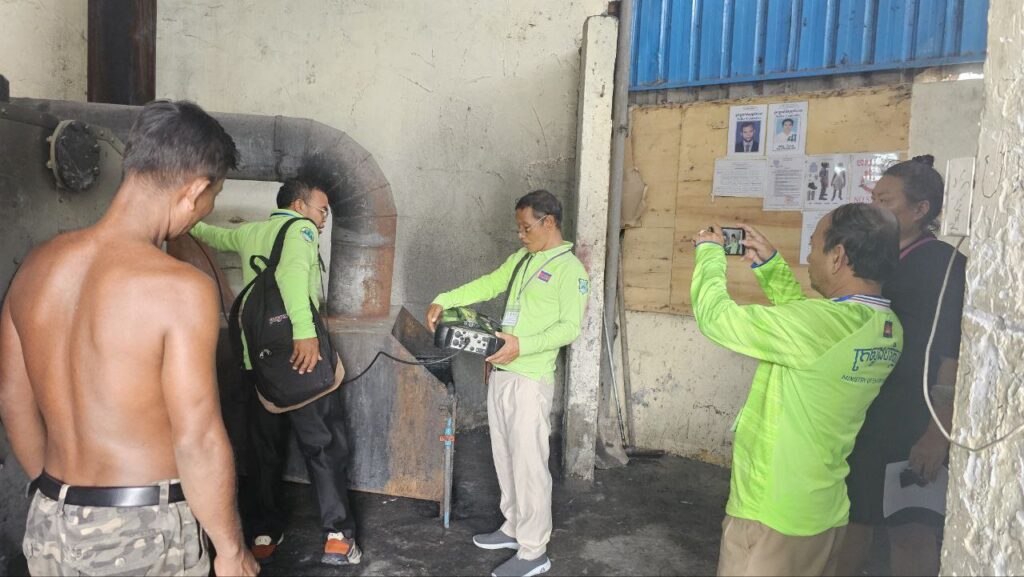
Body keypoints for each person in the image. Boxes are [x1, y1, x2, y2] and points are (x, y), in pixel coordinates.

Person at [0, 100, 258, 576]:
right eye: (213, 197)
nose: (205, 212)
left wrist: (57, 493)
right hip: (141, 534)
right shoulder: (180, 288)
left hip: (49, 522)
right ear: (195, 190)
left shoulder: (36, 265)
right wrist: (231, 549)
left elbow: (13, 399)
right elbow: (197, 439)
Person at [690, 203, 903, 577]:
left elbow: (717, 319)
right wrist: (771, 267)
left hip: (772, 517)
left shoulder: (822, 326)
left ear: (838, 257)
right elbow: (810, 334)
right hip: (825, 513)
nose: (808, 256)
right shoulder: (886, 328)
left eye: (814, 245)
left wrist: (709, 253)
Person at [187, 167, 360, 566]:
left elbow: (214, 236)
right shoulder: (302, 230)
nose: (323, 218)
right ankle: (337, 535)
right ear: (299, 206)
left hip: (258, 363)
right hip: (298, 358)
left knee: (263, 449)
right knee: (323, 444)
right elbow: (293, 277)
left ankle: (264, 532)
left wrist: (186, 220)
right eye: (321, 209)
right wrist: (306, 334)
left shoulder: (251, 232)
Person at [425, 190, 589, 577]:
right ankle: (513, 526)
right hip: (501, 371)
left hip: (529, 380)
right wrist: (445, 299)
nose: (520, 235)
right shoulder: (522, 259)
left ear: (549, 222)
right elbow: (490, 284)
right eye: (519, 228)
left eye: (526, 228)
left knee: (530, 465)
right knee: (505, 456)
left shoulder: (571, 271)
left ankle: (534, 551)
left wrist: (522, 346)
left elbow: (570, 328)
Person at [838, 155, 967, 577]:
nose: (874, 208)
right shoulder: (875, 259)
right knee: (852, 519)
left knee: (911, 530)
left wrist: (937, 432)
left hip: (913, 420)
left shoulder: (943, 265)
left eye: (886, 200)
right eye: (873, 198)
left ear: (920, 209)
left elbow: (951, 352)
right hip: (868, 416)